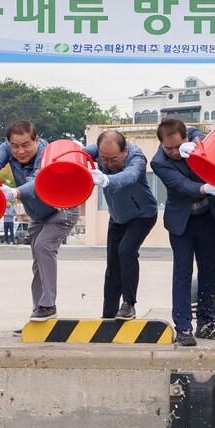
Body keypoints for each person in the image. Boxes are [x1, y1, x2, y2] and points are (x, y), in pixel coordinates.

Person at [0, 120, 78, 322]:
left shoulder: (46, 153)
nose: (20, 151)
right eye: (15, 146)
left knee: (44, 246)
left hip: (62, 209)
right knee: (38, 263)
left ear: (37, 139)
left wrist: (15, 192)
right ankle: (39, 311)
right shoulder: (8, 148)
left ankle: (48, 305)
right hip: (39, 214)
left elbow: (39, 180)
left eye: (26, 145)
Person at [152, 118, 215, 347]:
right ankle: (183, 327)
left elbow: (209, 139)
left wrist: (196, 145)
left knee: (208, 271)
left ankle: (207, 323)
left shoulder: (196, 139)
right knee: (182, 274)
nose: (174, 152)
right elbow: (181, 184)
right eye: (168, 148)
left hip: (208, 218)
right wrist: (205, 188)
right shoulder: (159, 162)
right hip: (181, 223)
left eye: (177, 146)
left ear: (184, 137)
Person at [83, 130, 154, 320]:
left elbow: (129, 176)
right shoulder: (100, 153)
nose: (107, 164)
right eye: (103, 159)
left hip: (142, 215)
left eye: (113, 159)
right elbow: (79, 155)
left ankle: (129, 304)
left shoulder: (137, 157)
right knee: (112, 264)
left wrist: (107, 179)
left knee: (126, 251)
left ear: (124, 152)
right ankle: (108, 313)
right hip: (117, 217)